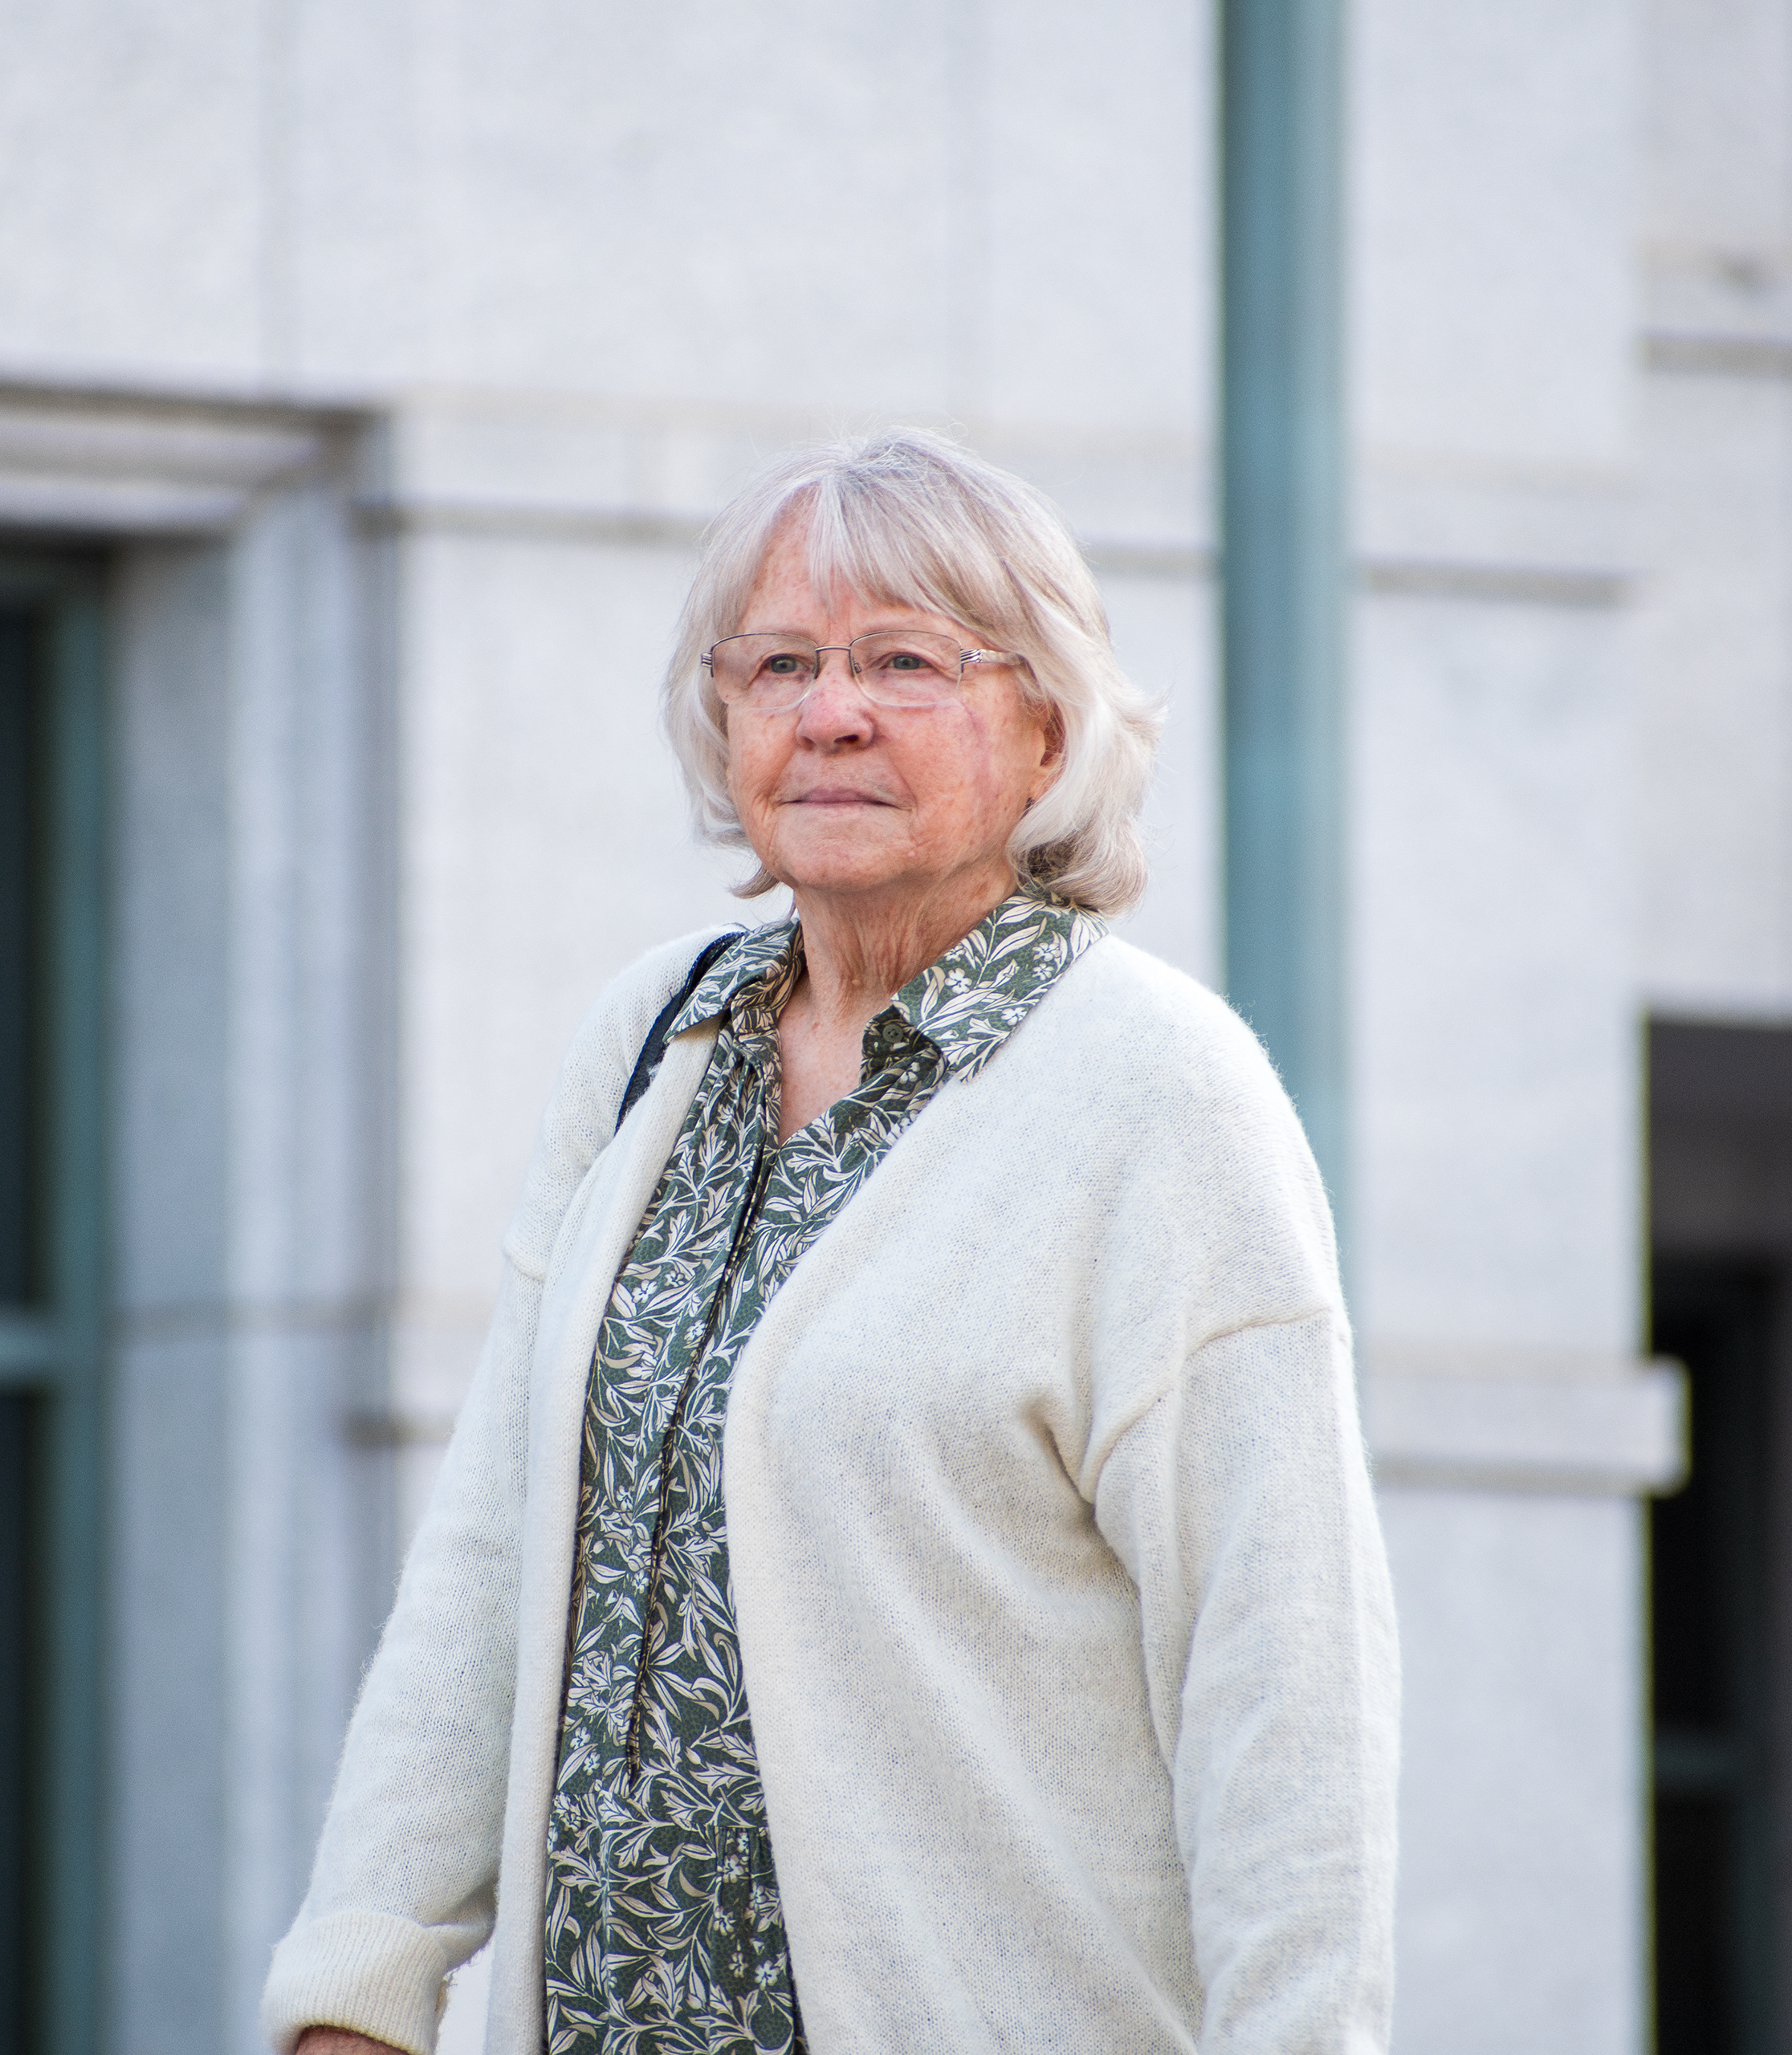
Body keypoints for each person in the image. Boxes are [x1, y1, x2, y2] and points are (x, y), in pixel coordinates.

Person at [265, 428, 1397, 2054]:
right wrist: (357, 1984)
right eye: (780, 661)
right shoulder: (653, 1038)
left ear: (1045, 728)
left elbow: (1288, 1687)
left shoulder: (1163, 1097)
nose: (830, 709)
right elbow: (490, 1557)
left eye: (904, 660)